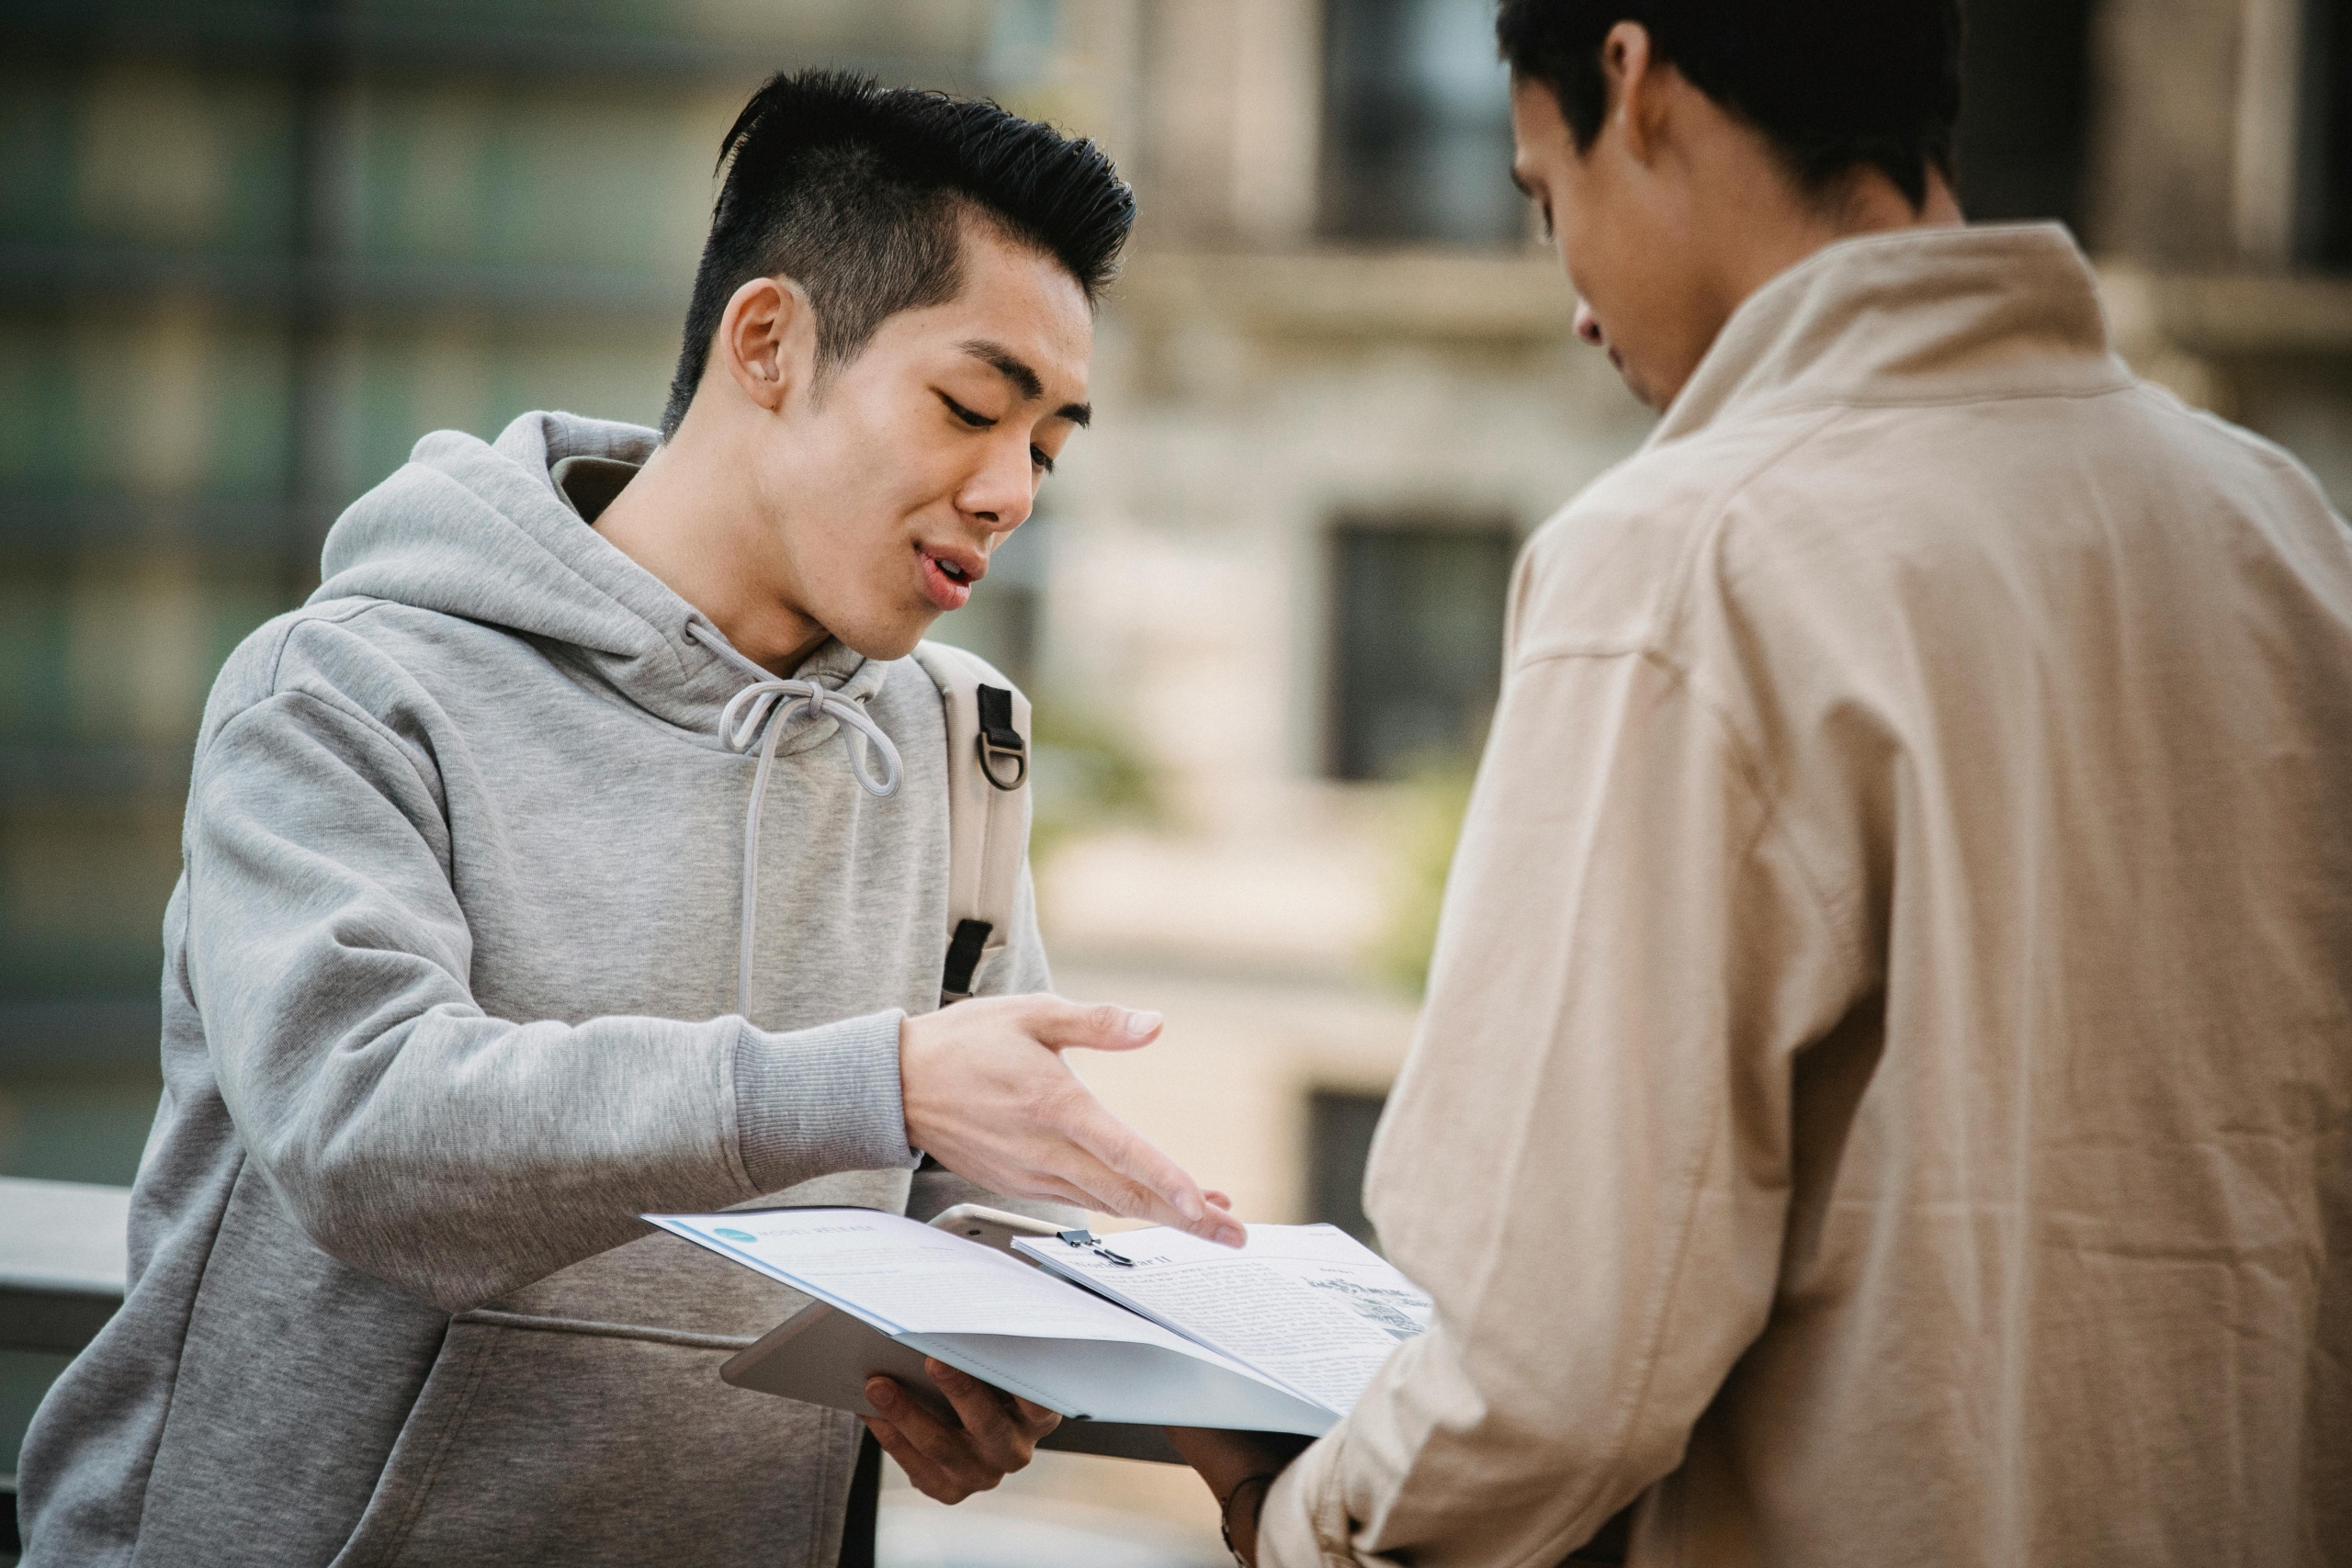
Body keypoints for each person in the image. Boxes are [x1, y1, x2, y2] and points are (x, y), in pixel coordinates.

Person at [1173, 2, 2352, 1562]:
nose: (1577, 303)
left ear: (1633, 78)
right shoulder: (2283, 533)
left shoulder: (1680, 562)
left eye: (1544, 196)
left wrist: (1297, 1517)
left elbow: (1550, 1369)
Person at [18, 70, 1242, 1568]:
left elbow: (945, 1165)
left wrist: (998, 1357)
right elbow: (361, 1135)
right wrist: (880, 1083)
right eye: (971, 408)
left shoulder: (956, 741)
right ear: (770, 343)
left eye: (1048, 446)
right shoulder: (341, 684)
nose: (1009, 492)